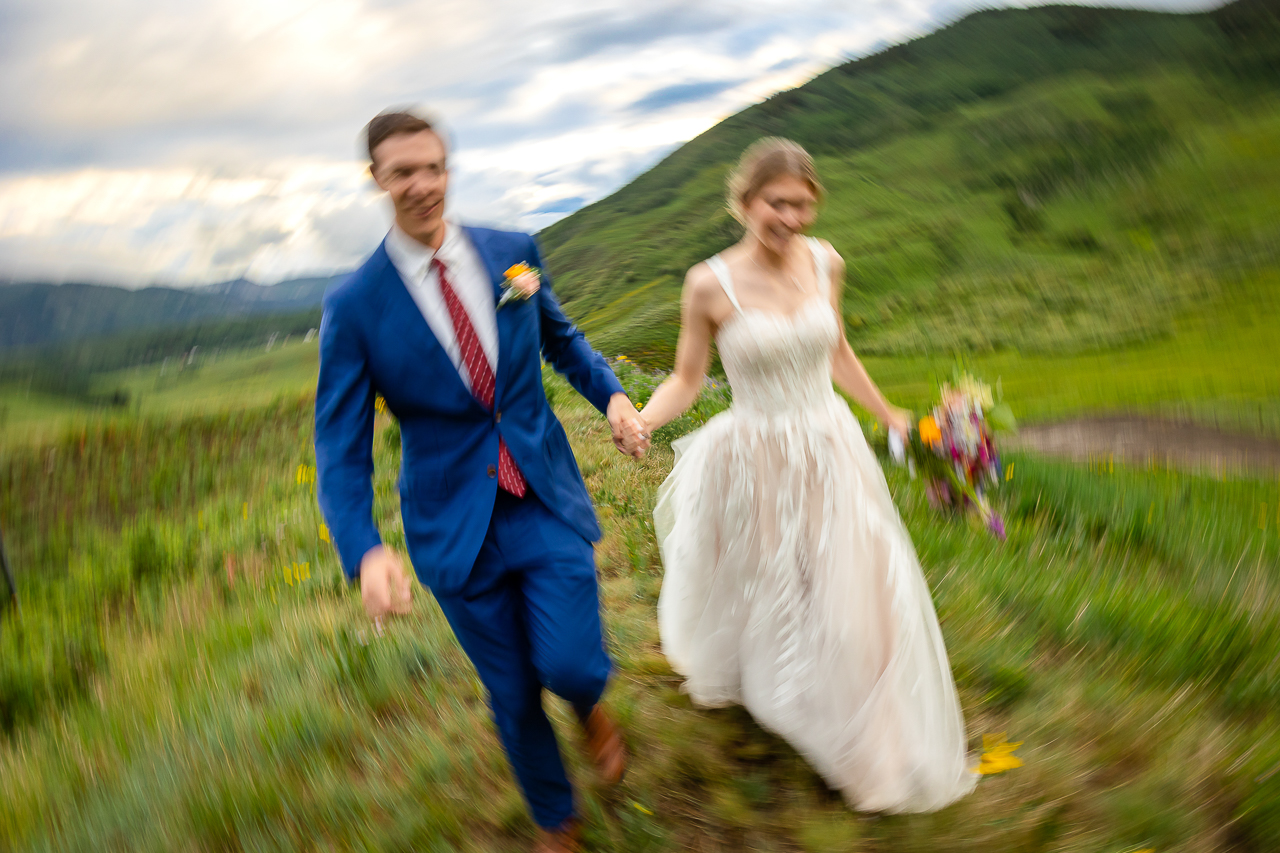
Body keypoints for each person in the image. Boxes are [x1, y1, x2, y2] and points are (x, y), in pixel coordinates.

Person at [314, 107, 650, 853]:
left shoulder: (512, 255)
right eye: (404, 172)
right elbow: (340, 447)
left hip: (542, 493)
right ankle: (554, 817)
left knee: (566, 660)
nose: (423, 184)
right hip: (452, 527)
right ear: (377, 180)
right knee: (510, 691)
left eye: (434, 166)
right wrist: (365, 549)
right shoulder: (355, 306)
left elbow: (562, 341)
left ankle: (589, 701)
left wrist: (615, 397)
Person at [637, 138, 977, 813]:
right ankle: (780, 687)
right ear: (744, 201)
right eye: (776, 203)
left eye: (802, 204)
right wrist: (645, 422)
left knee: (852, 584)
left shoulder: (827, 263)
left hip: (830, 446)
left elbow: (839, 351)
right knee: (772, 581)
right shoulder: (710, 283)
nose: (790, 217)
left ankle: (863, 735)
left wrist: (889, 414)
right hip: (757, 453)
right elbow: (687, 377)